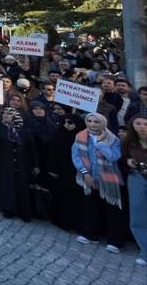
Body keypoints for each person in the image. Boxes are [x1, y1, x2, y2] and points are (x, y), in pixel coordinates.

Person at [72, 111, 125, 252]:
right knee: (90, 206)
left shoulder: (113, 139)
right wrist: (84, 172)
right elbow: (76, 155)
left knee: (112, 210)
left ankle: (114, 241)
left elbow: (114, 157)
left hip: (108, 180)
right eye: (90, 121)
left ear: (103, 123)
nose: (92, 124)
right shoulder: (80, 136)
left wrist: (100, 143)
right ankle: (90, 234)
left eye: (96, 122)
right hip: (89, 178)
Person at [0, 101, 38, 222]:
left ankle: (23, 211)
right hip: (5, 162)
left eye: (9, 114)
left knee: (22, 186)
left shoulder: (25, 131)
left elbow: (32, 148)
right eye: (4, 114)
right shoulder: (0, 128)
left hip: (22, 163)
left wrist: (36, 164)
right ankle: (8, 209)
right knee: (7, 186)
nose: (6, 116)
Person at [122, 114, 147, 267]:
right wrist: (128, 161)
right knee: (138, 216)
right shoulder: (128, 141)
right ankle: (145, 252)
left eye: (145, 123)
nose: (142, 126)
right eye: (138, 123)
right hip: (137, 178)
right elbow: (123, 158)